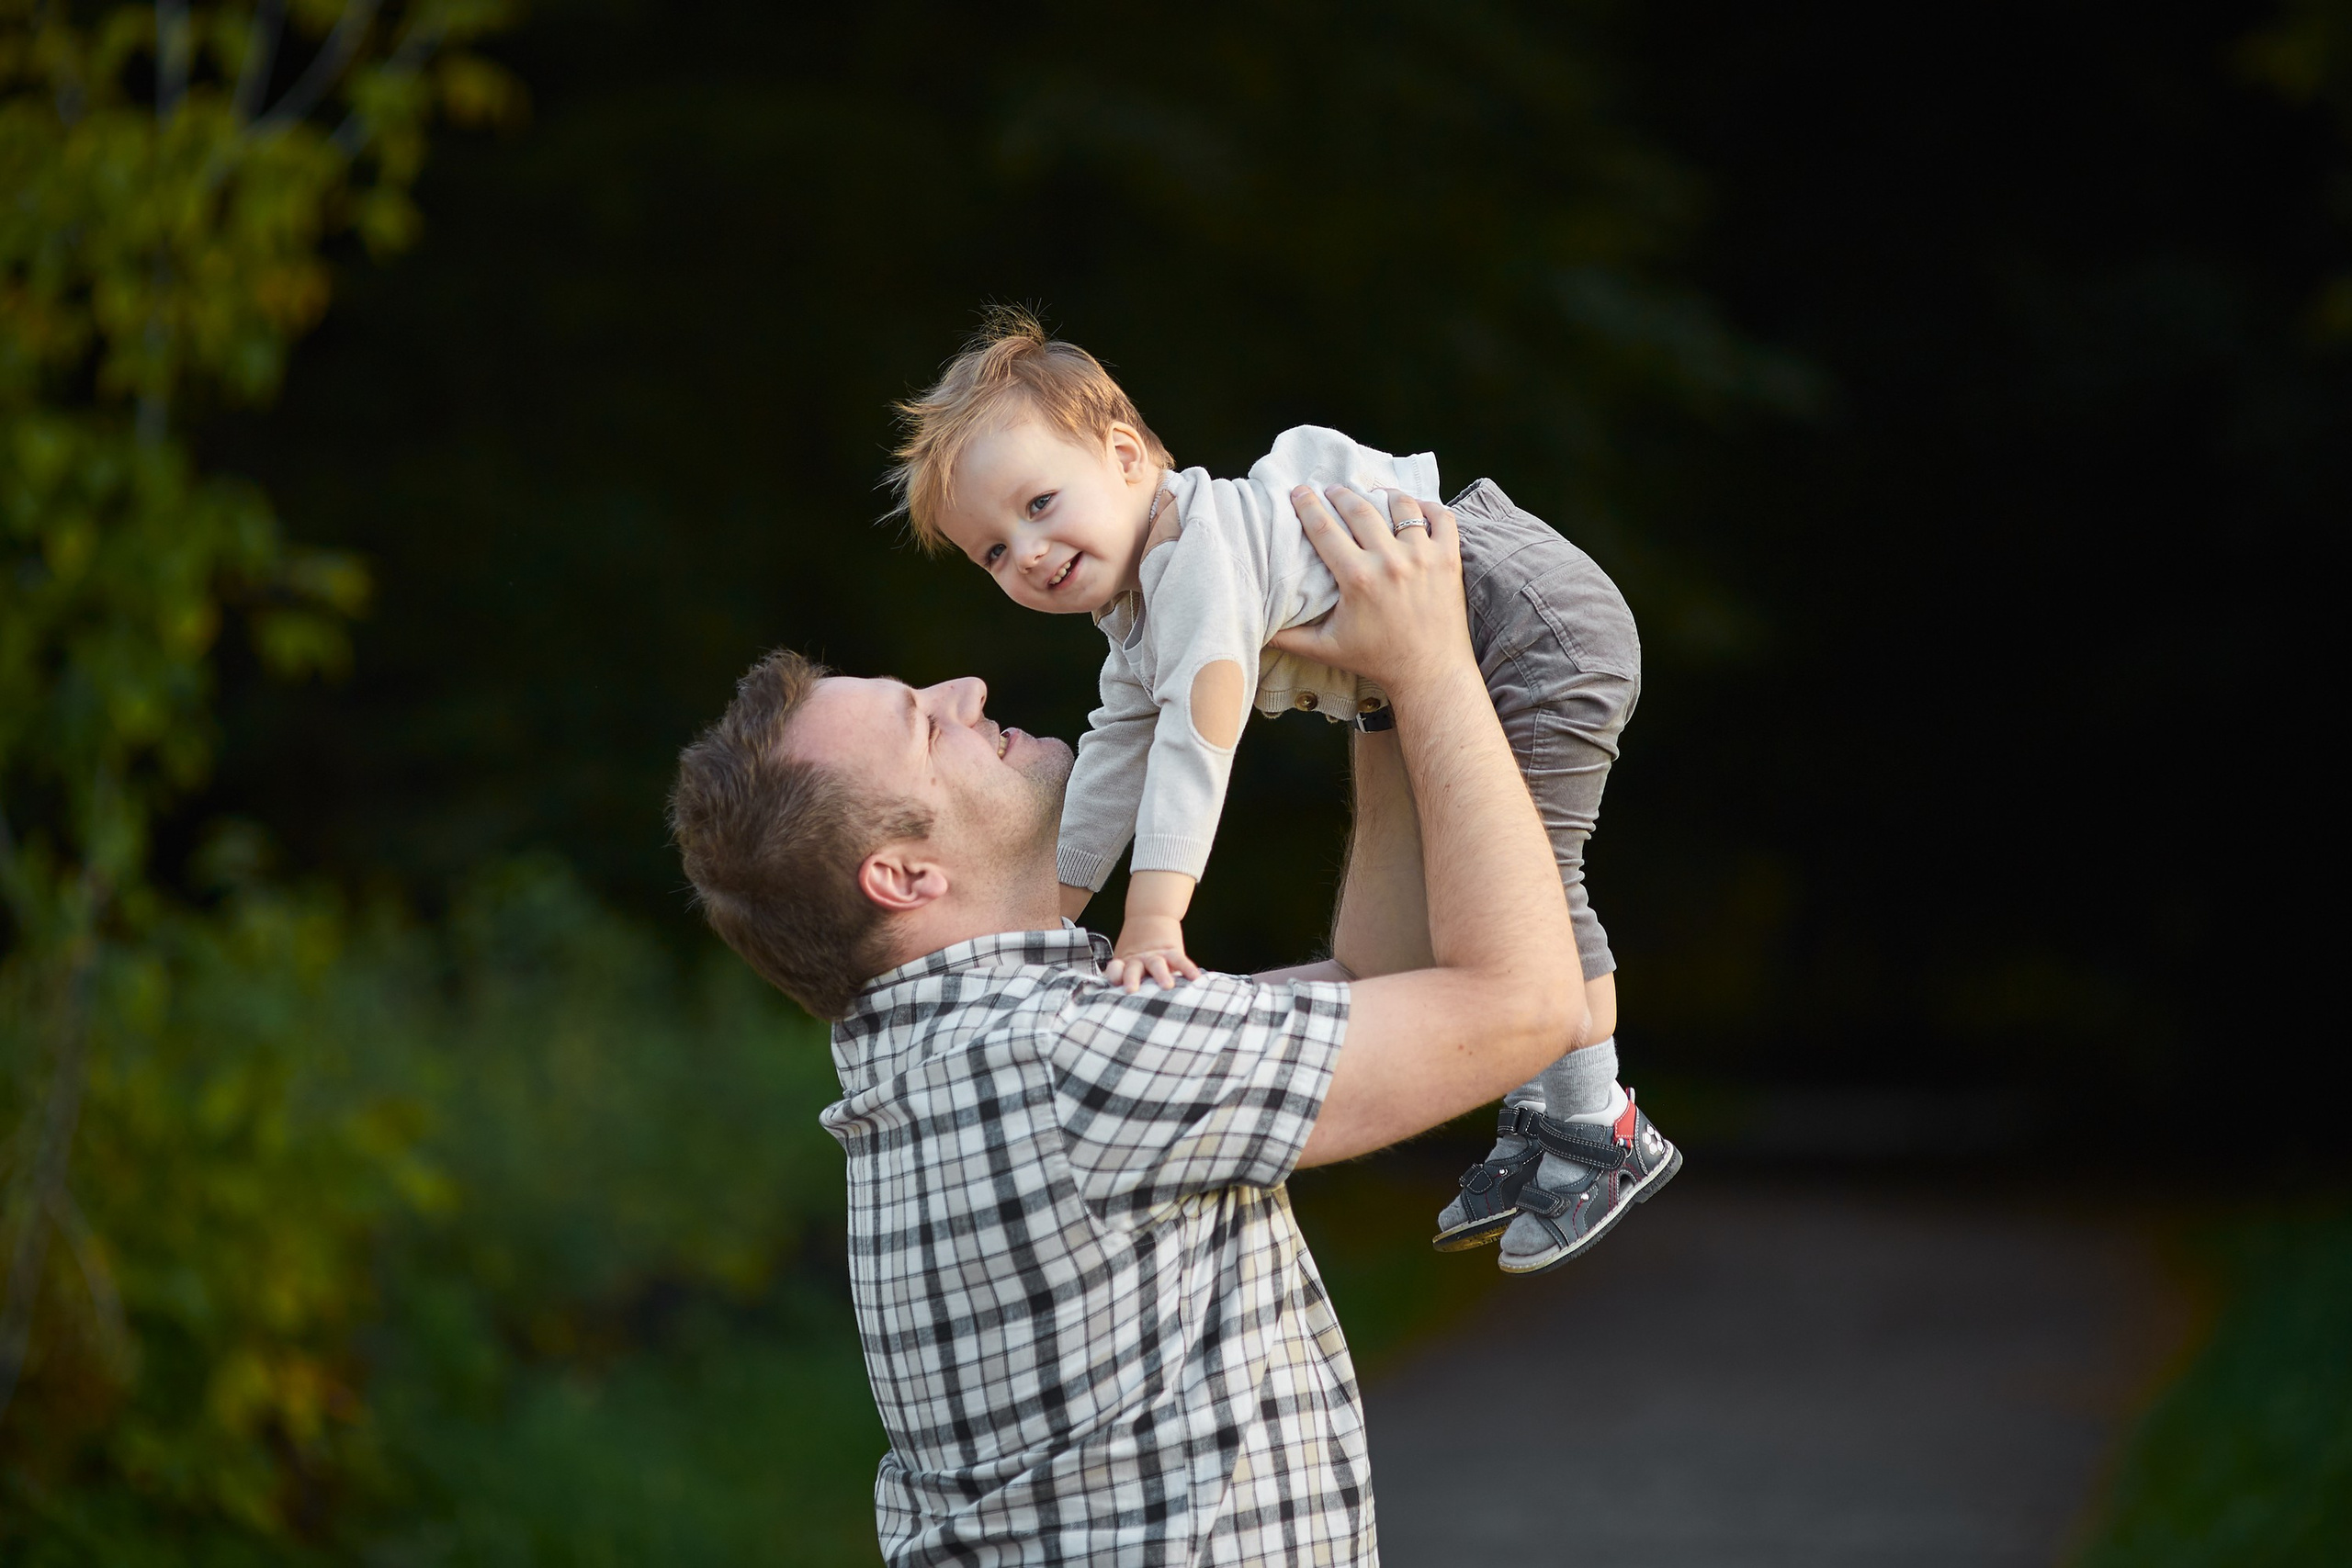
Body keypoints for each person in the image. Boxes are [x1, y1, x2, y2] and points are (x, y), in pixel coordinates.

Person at [669, 488, 1675, 1565]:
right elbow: (1520, 1008)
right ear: (904, 875)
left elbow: (1376, 982)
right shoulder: (1066, 1064)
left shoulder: (972, 1053)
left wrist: (1376, 692)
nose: (967, 688)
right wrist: (1433, 666)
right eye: (927, 723)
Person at [885, 309, 1677, 1272]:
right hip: (1457, 634)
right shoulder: (1137, 611)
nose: (1030, 553)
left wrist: (1153, 923)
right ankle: (1545, 1108)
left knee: (1530, 882)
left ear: (1126, 456)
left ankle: (1601, 1120)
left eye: (1039, 504)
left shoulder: (1199, 562)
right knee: (1465, 884)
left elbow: (1194, 744)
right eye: (995, 552)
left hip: (1525, 618)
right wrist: (1049, 922)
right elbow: (1111, 762)